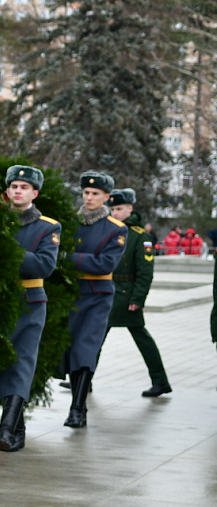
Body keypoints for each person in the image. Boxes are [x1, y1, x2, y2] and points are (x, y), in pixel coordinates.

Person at [0, 165, 61, 452]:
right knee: (3, 362)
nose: (17, 191)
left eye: (24, 187)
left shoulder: (47, 226)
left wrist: (7, 251)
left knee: (22, 362)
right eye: (14, 187)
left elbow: (44, 265)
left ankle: (6, 430)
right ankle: (17, 428)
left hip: (30, 301)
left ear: (35, 193)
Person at [60, 171, 128, 428]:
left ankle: (78, 408)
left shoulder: (115, 229)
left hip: (97, 296)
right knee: (68, 350)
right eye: (86, 193)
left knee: (85, 349)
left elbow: (104, 264)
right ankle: (77, 405)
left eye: (95, 194)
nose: (89, 197)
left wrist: (67, 258)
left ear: (106, 197)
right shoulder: (70, 222)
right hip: (71, 293)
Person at [101, 189, 170, 397]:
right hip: (107, 292)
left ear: (130, 209)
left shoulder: (141, 236)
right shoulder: (108, 230)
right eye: (112, 209)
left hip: (126, 295)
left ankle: (160, 381)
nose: (115, 213)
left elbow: (145, 271)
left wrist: (138, 298)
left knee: (142, 338)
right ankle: (83, 378)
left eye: (119, 209)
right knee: (94, 337)